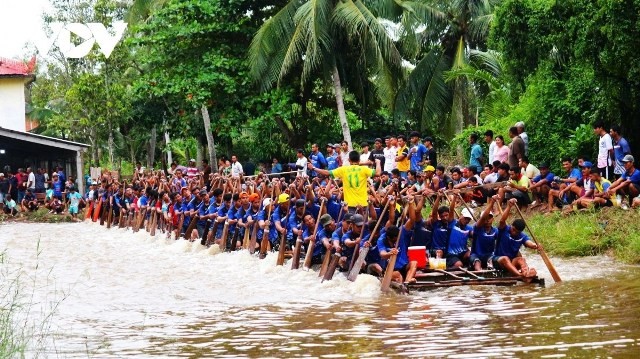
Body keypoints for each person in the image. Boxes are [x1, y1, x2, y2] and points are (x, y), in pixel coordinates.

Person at [309, 150, 381, 210]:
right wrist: (378, 163)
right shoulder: (364, 169)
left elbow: (327, 173)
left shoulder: (344, 169)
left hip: (350, 205)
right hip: (363, 205)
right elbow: (378, 173)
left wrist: (313, 168)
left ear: (349, 160)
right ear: (359, 160)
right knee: (362, 225)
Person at [492, 197, 539, 281]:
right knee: (505, 258)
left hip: (511, 262)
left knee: (521, 259)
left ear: (520, 231)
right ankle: (521, 276)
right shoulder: (504, 229)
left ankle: (526, 273)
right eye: (513, 230)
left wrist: (535, 245)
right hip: (498, 260)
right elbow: (502, 220)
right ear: (511, 226)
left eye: (517, 232)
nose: (514, 232)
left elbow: (529, 243)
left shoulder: (522, 236)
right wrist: (509, 206)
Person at [470, 197, 498, 270]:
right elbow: (482, 218)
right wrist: (492, 202)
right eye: (486, 218)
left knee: (491, 260)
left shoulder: (495, 230)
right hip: (476, 255)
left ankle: (491, 271)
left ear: (493, 219)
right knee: (477, 262)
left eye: (490, 218)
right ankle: (479, 273)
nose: (487, 220)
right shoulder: (478, 228)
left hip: (489, 256)